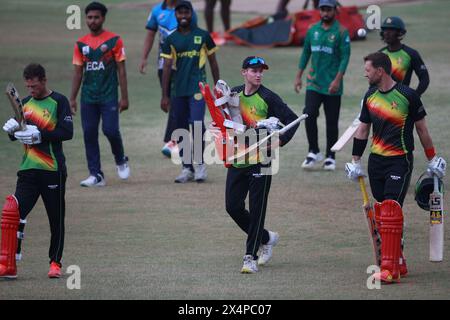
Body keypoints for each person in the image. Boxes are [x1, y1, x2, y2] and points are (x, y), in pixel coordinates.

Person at [345, 52, 446, 284]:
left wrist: (432, 159)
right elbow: (362, 129)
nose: (365, 74)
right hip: (376, 161)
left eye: (368, 70)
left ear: (380, 71)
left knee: (391, 208)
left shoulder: (407, 95)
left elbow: (422, 130)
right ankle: (399, 260)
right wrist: (356, 160)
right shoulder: (369, 96)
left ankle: (389, 268)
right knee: (382, 212)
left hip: (400, 160)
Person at [218, 56, 299, 273]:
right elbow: (224, 119)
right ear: (244, 72)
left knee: (256, 210)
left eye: (261, 71)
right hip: (239, 158)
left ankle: (250, 257)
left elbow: (292, 120)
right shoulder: (233, 94)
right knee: (232, 207)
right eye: (254, 70)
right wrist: (217, 127)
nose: (258, 74)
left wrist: (280, 141)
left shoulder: (269, 97)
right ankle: (266, 238)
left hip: (262, 161)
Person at [0, 64, 73, 279]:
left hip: (52, 170)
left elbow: (67, 132)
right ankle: (9, 264)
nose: (31, 90)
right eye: (28, 86)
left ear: (43, 80)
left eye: (34, 86)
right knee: (13, 214)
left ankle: (55, 263)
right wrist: (12, 130)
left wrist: (40, 135)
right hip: (28, 170)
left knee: (56, 219)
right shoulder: (25, 104)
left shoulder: (59, 102)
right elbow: (17, 134)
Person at [70, 1, 130, 187]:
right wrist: (72, 98)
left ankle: (120, 158)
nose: (93, 21)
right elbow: (78, 72)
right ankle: (96, 175)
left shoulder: (114, 40)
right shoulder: (81, 44)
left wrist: (125, 97)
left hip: (108, 95)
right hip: (88, 96)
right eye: (89, 17)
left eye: (96, 17)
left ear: (103, 18)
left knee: (110, 130)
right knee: (89, 133)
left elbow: (121, 70)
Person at [160, 0, 220, 183]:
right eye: (180, 13)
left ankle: (200, 165)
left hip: (198, 88)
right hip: (178, 90)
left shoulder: (203, 36)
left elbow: (213, 62)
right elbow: (167, 68)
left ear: (191, 14)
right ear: (176, 15)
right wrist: (165, 95)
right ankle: (187, 168)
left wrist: (218, 86)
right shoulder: (170, 39)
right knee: (181, 129)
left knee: (197, 124)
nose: (183, 16)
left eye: (187, 12)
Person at [294, 0, 350, 171]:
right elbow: (305, 53)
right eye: (323, 9)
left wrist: (337, 80)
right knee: (308, 114)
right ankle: (313, 151)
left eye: (329, 10)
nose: (325, 13)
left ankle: (330, 157)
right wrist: (298, 76)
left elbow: (344, 58)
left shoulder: (341, 32)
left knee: (331, 122)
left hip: (332, 86)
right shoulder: (312, 29)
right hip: (314, 83)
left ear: (335, 11)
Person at [139, 0, 198, 158]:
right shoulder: (157, 11)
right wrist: (144, 57)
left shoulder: (187, 9)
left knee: (177, 101)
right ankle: (176, 141)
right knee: (173, 102)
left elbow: (193, 36)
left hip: (182, 66)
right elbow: (150, 35)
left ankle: (173, 141)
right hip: (163, 65)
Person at [379, 16, 429, 97]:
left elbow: (424, 79)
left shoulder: (411, 54)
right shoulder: (380, 54)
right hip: (382, 101)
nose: (387, 33)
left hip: (401, 102)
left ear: (400, 32)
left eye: (391, 30)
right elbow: (374, 81)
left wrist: (415, 96)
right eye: (385, 29)